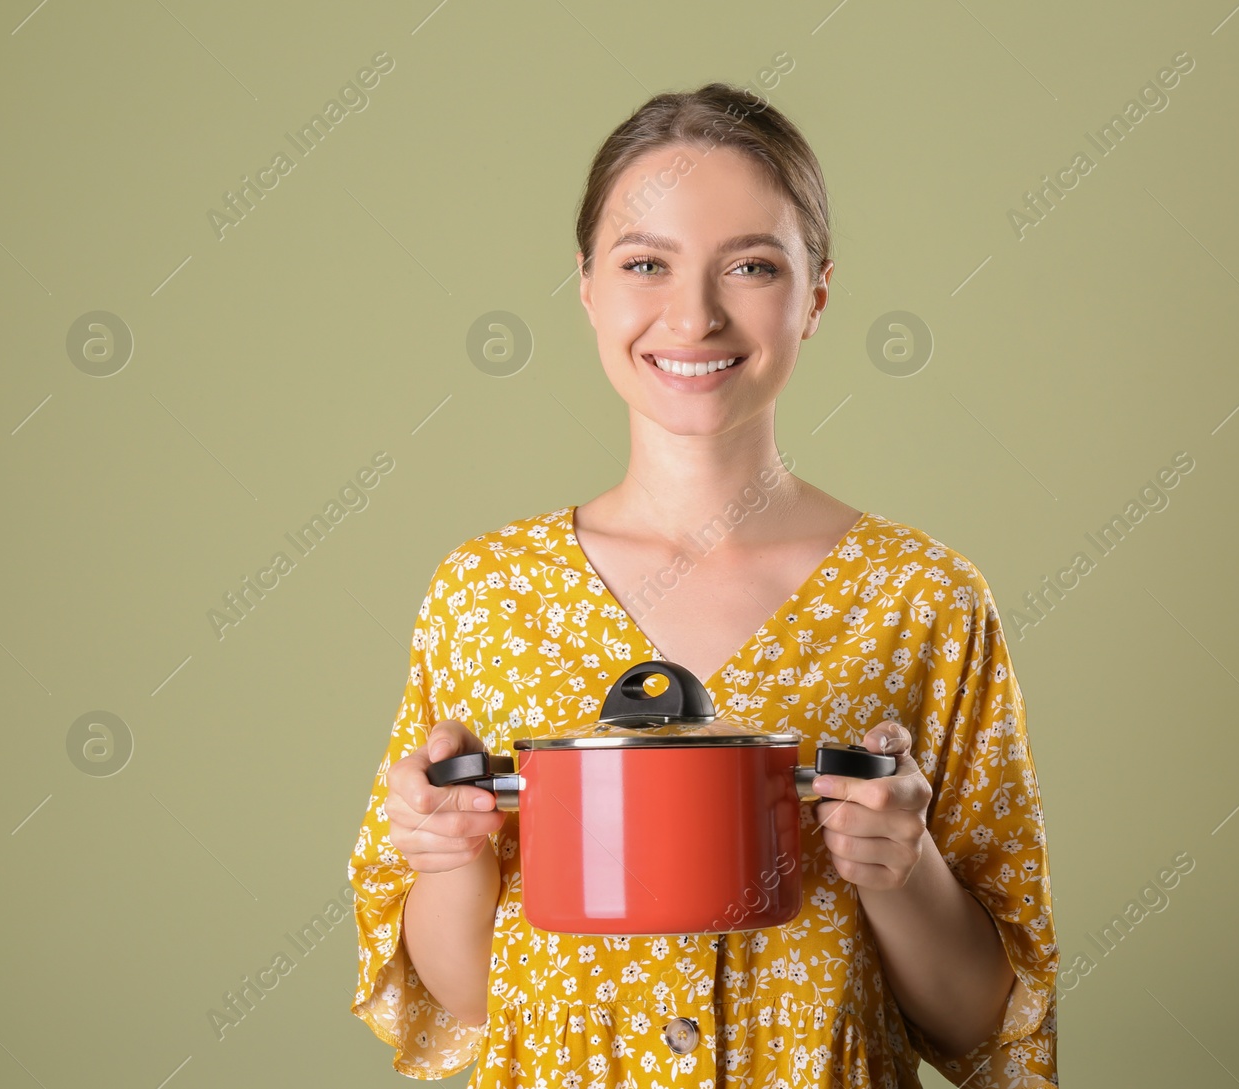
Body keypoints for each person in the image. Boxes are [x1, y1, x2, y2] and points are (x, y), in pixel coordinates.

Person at [347, 82, 1058, 1088]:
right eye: (646, 264)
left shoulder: (922, 599)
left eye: (752, 267)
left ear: (814, 295)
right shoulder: (486, 595)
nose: (694, 314)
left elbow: (973, 1019)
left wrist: (905, 869)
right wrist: (445, 854)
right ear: (587, 287)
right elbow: (474, 1002)